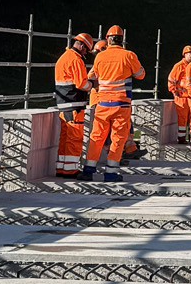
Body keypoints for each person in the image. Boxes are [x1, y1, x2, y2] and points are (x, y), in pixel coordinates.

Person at [83, 23, 147, 177]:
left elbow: (91, 76)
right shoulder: (129, 55)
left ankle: (88, 170)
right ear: (121, 39)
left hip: (102, 103)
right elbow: (140, 75)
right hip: (121, 104)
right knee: (118, 138)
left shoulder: (100, 56)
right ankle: (111, 173)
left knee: (97, 136)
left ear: (108, 39)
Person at [53, 32, 94, 176]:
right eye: (86, 50)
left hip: (63, 105)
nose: (86, 53)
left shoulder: (63, 58)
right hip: (74, 105)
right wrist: (92, 84)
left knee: (64, 138)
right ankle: (71, 170)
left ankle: (61, 168)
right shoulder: (76, 60)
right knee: (74, 138)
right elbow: (81, 84)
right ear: (82, 46)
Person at [167, 46, 191, 145]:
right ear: (185, 54)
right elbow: (171, 79)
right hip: (181, 97)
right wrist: (174, 91)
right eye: (190, 53)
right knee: (182, 118)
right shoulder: (179, 66)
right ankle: (181, 138)